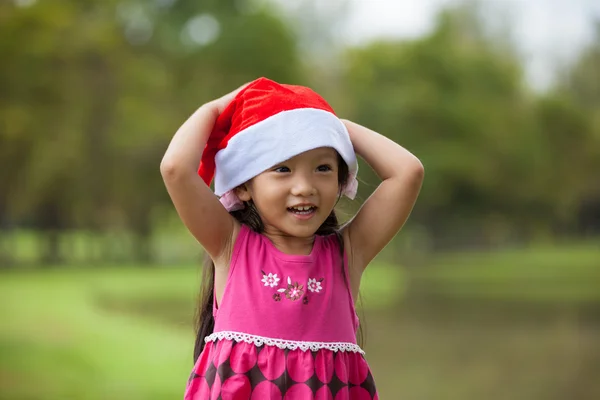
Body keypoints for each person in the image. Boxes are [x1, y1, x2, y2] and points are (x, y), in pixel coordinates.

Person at [161, 77, 424, 399]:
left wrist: (331, 125)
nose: (305, 186)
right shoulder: (230, 245)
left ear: (341, 181)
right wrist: (217, 108)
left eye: (323, 168)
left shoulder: (347, 254)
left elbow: (408, 172)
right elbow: (175, 168)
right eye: (283, 169)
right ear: (244, 186)